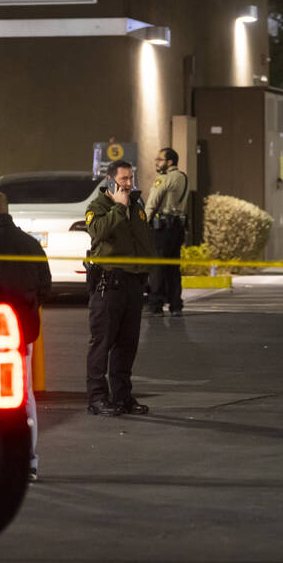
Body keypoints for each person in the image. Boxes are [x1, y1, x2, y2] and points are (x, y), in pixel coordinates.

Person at [0, 191, 51, 482]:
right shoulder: (30, 243)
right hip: (21, 332)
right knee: (22, 396)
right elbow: (46, 286)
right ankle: (28, 461)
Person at [84, 159, 155, 416]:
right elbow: (98, 232)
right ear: (110, 181)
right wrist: (118, 207)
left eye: (131, 178)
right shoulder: (98, 207)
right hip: (108, 284)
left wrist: (149, 271)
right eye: (124, 179)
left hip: (132, 284)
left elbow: (143, 240)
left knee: (127, 344)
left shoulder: (137, 206)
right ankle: (97, 398)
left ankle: (123, 396)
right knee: (102, 343)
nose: (128, 183)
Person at [145, 147, 188, 317]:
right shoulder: (183, 177)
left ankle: (155, 305)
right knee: (173, 267)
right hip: (178, 228)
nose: (157, 162)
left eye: (160, 159)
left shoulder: (163, 179)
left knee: (157, 267)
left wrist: (142, 224)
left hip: (162, 229)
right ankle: (176, 304)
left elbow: (152, 203)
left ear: (169, 162)